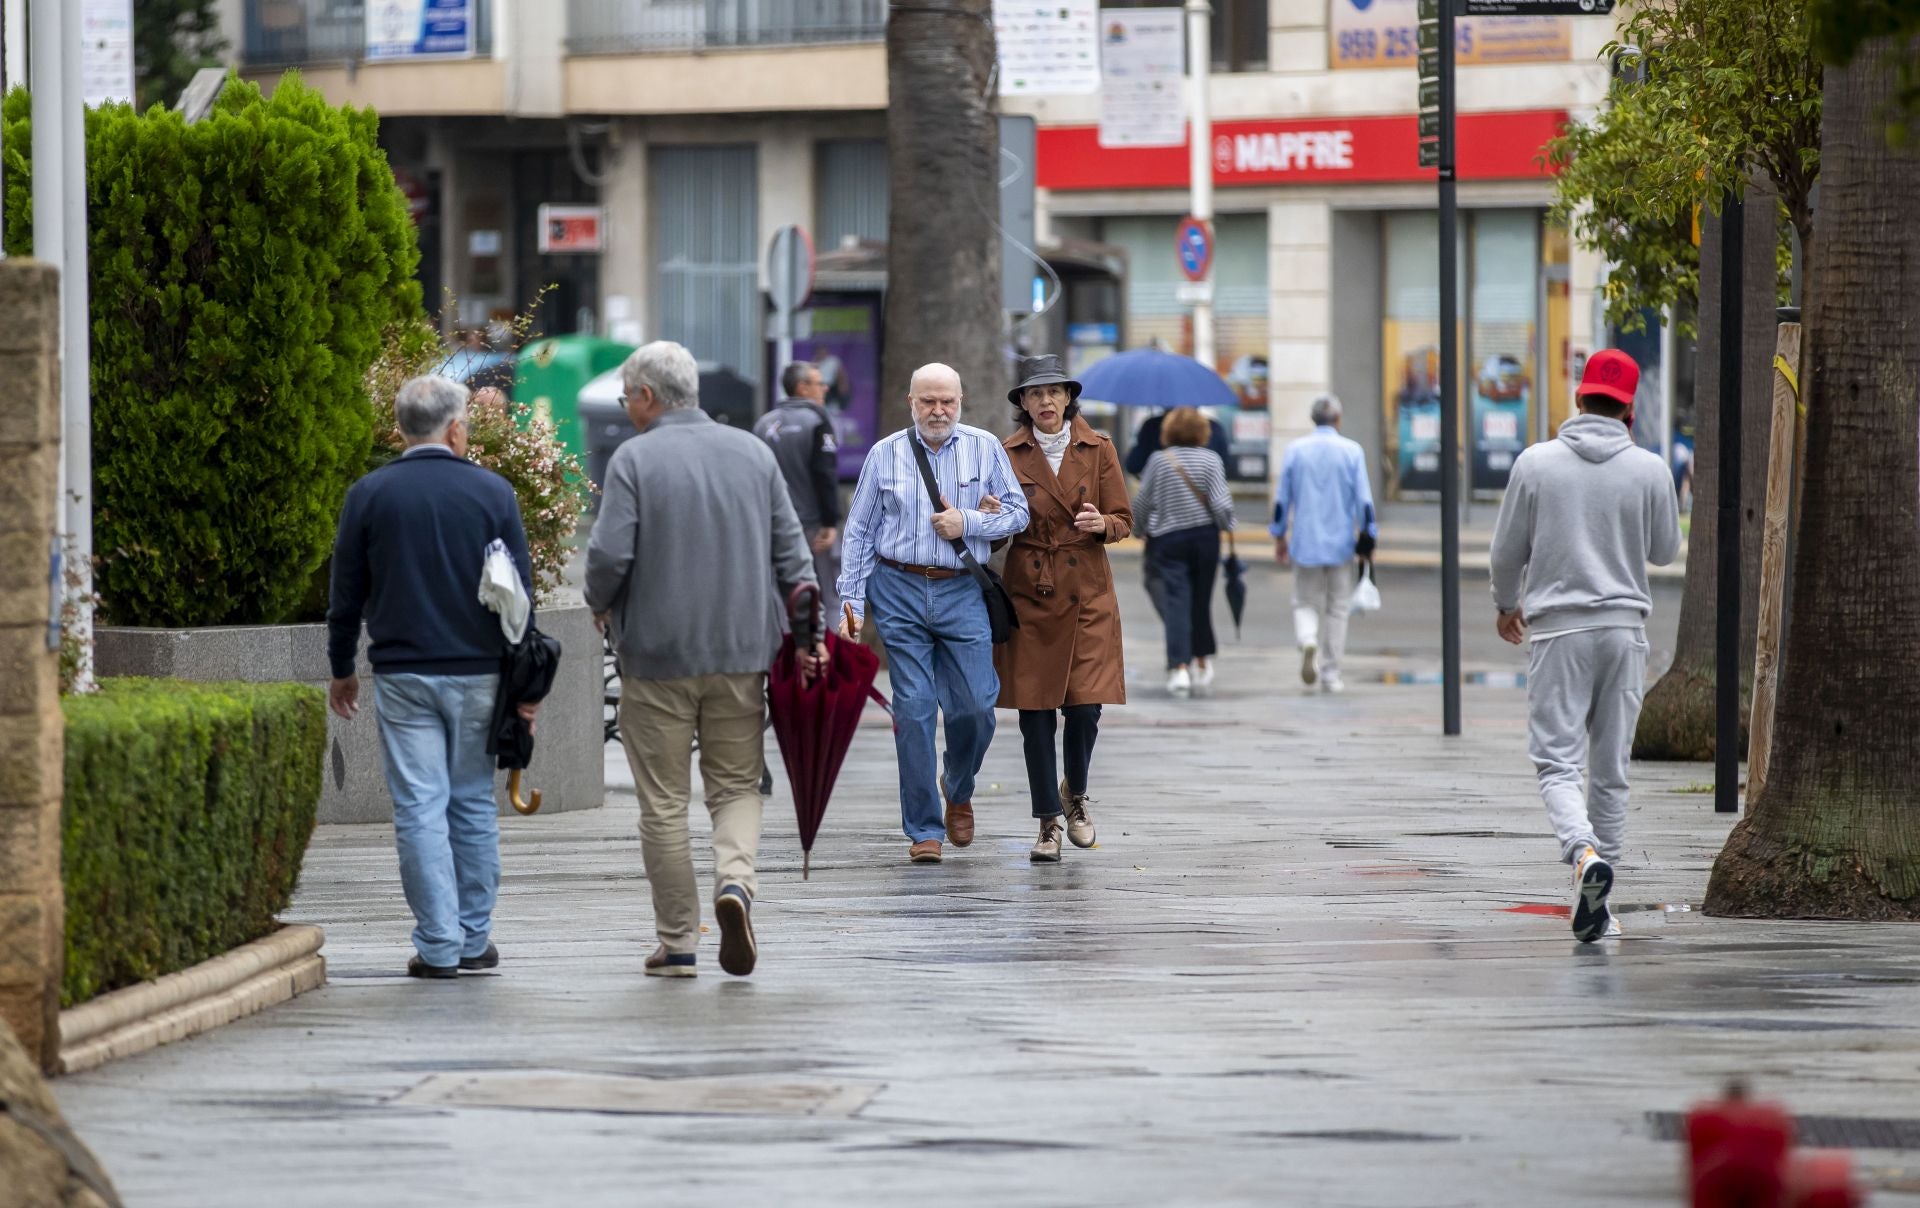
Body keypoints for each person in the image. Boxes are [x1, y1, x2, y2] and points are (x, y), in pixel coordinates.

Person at [585, 341, 823, 979]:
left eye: (626, 397)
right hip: (743, 651)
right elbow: (793, 560)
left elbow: (607, 558)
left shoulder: (633, 459)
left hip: (655, 657)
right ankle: (735, 882)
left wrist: (598, 602)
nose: (627, 408)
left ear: (646, 397)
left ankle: (678, 941)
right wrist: (805, 638)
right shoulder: (752, 451)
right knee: (737, 785)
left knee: (662, 802)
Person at [326, 375, 538, 981]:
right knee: (471, 801)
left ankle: (438, 945)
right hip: (479, 673)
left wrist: (343, 668)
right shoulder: (493, 493)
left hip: (402, 674)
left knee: (419, 807)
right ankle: (473, 938)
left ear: (400, 429)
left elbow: (346, 595)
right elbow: (519, 597)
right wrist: (526, 689)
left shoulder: (369, 494)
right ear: (454, 429)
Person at [1489, 349, 1681, 944]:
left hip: (1557, 632)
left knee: (1557, 764)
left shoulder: (1535, 463)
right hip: (1625, 632)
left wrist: (1505, 603)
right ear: (1629, 409)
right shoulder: (1649, 468)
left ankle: (1582, 856)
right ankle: (1602, 899)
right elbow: (1665, 550)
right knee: (1610, 770)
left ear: (1580, 397)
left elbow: (1505, 551)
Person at [837, 363, 1030, 863]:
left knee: (975, 707)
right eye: (928, 402)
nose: (938, 411)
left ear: (961, 401)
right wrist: (851, 605)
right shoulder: (885, 454)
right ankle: (924, 827)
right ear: (911, 402)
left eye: (947, 401)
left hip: (962, 589)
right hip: (897, 587)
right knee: (914, 709)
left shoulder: (985, 447)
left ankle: (958, 786)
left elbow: (1018, 512)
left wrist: (968, 520)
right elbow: (858, 532)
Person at [994, 354, 1132, 863]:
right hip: (1031, 589)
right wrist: (990, 521)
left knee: (1085, 705)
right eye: (1035, 394)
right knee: (1034, 710)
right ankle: (1047, 821)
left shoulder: (1098, 449)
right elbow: (996, 525)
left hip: (1088, 590)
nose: (1046, 401)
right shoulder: (1004, 453)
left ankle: (1075, 795)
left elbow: (1123, 518)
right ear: (1023, 404)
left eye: (1054, 392)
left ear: (1069, 398)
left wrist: (1104, 525)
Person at [1271, 394, 1378, 694]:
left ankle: (1307, 640)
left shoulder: (1295, 451)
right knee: (1337, 607)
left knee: (1304, 601)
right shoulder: (1352, 451)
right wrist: (1368, 536)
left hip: (1305, 541)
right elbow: (1364, 500)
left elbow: (1282, 500)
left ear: (1312, 418)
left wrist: (1279, 535)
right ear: (1338, 419)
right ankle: (1331, 673)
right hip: (1341, 542)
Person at [1131, 407, 1236, 699]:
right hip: (1205, 538)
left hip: (1168, 539)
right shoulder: (1212, 459)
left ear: (1169, 431)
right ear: (1203, 432)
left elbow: (1142, 501)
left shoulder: (1158, 460)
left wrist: (1138, 529)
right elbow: (1221, 502)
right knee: (1201, 600)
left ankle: (1179, 667)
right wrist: (1228, 524)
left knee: (1177, 600)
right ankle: (1203, 661)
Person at [754, 361, 844, 618]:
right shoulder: (817, 421)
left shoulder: (763, 425)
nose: (825, 388)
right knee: (823, 593)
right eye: (819, 383)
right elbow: (824, 473)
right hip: (811, 527)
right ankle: (824, 652)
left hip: (771, 525)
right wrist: (830, 521)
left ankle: (785, 653)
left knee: (779, 594)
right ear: (803, 388)